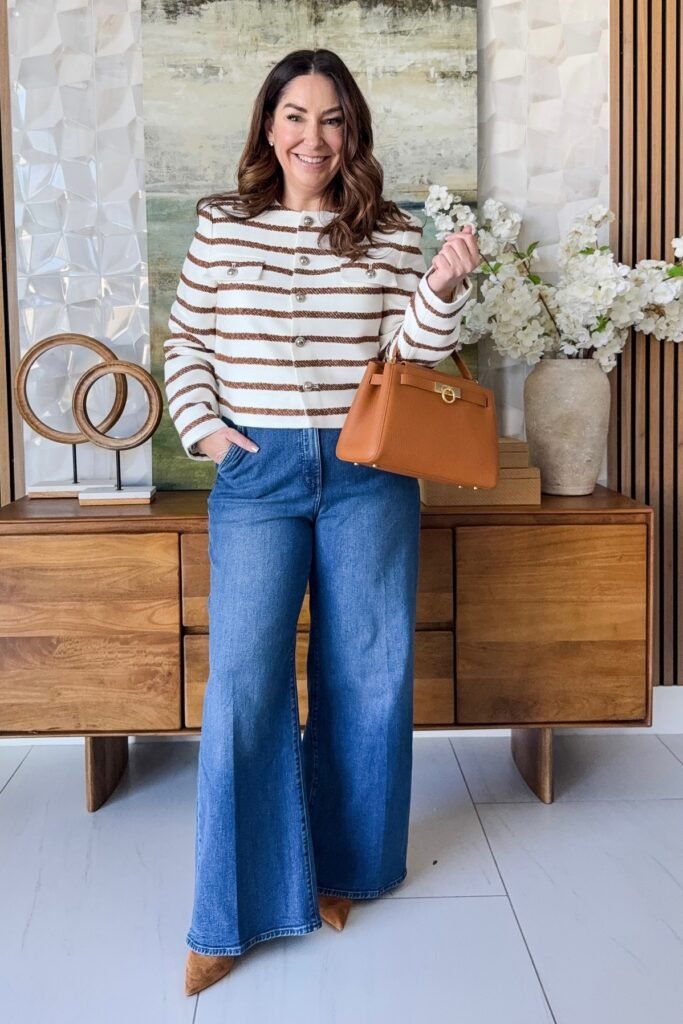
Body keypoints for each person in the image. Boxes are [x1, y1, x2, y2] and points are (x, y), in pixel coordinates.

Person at [163, 47, 480, 998]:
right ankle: (231, 911)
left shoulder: (389, 232)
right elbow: (186, 337)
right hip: (256, 472)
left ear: (353, 131)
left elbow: (413, 358)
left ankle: (344, 872)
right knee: (247, 682)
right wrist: (207, 429)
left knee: (368, 671)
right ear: (269, 126)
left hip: (365, 471)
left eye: (332, 118)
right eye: (296, 116)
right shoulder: (222, 227)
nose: (313, 136)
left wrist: (440, 293)